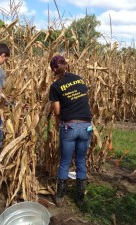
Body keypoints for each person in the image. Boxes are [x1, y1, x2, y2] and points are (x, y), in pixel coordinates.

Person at [48, 55, 93, 207]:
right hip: (86, 125)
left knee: (65, 161)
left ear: (54, 69)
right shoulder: (79, 79)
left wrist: (63, 118)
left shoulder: (55, 86)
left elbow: (57, 111)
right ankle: (80, 198)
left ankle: (60, 197)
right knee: (81, 161)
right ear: (66, 65)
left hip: (70, 126)